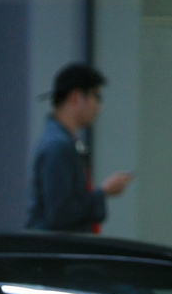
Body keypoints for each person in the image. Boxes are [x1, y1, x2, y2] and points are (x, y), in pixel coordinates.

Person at [26, 63, 131, 232]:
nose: (99, 107)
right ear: (76, 97)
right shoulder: (58, 145)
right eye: (96, 97)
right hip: (56, 253)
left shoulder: (64, 141)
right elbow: (60, 214)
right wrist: (102, 193)